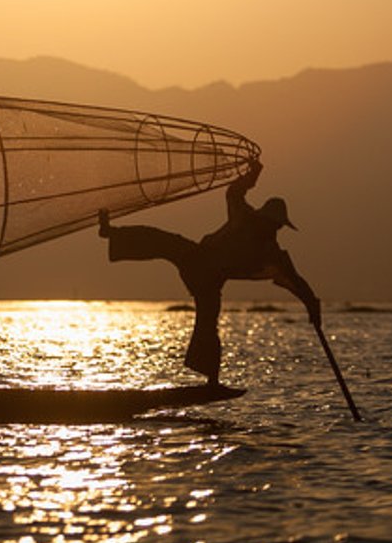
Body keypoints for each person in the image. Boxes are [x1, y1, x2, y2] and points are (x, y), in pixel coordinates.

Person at [98, 159, 321, 385]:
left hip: (209, 279)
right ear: (265, 219)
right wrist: (254, 174)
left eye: (278, 225)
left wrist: (312, 305)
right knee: (161, 240)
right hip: (197, 258)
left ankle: (211, 380)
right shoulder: (245, 218)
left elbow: (296, 280)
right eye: (274, 224)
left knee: (208, 321)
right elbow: (235, 192)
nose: (275, 228)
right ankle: (111, 233)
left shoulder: (271, 251)